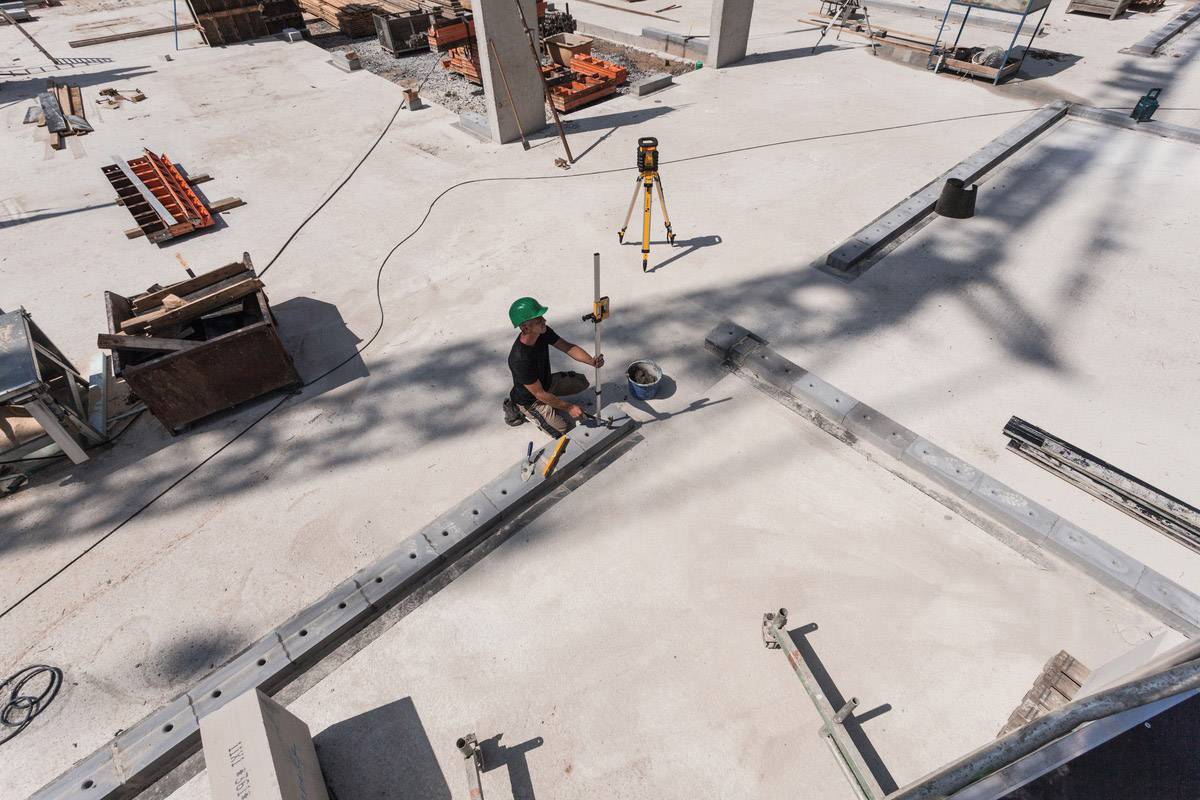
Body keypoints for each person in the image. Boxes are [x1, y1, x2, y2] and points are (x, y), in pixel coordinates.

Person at [504, 296, 604, 437]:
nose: (544, 321)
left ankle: (551, 401)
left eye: (542, 317)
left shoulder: (543, 332)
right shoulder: (519, 359)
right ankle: (518, 408)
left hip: (545, 383)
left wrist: (592, 361)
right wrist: (569, 407)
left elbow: (568, 348)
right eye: (539, 320)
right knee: (564, 429)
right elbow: (539, 394)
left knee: (581, 382)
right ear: (526, 328)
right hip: (531, 400)